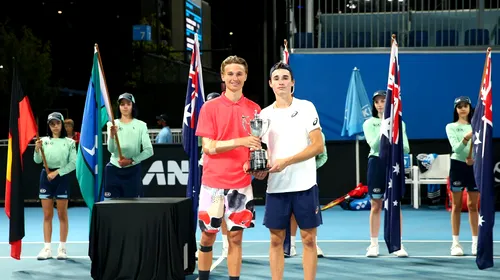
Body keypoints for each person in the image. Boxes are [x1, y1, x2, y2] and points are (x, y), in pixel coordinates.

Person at [195, 56, 262, 280]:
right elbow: (209, 147)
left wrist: (255, 164)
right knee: (207, 237)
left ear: (245, 77)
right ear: (223, 77)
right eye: (230, 74)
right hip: (213, 186)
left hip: (241, 186)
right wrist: (240, 141)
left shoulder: (254, 109)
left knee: (236, 239)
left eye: (239, 74)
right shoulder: (209, 107)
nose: (235, 78)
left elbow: (255, 146)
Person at [255, 62, 323, 280]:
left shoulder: (306, 107)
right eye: (276, 78)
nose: (281, 82)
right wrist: (260, 169)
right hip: (276, 187)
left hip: (305, 185)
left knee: (309, 239)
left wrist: (287, 161)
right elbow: (261, 152)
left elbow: (317, 146)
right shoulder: (263, 115)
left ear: (292, 83)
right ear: (270, 84)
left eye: (285, 77)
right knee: (276, 240)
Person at [362, 90, 410, 258]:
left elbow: (406, 148)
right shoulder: (369, 123)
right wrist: (385, 126)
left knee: (395, 204)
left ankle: (398, 244)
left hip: (394, 165)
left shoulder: (400, 124)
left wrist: (393, 129)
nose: (380, 104)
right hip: (376, 162)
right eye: (377, 102)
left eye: (383, 101)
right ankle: (373, 244)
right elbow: (374, 146)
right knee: (376, 205)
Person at [34, 112, 76, 260]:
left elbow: (73, 163)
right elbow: (37, 160)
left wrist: (57, 172)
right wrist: (37, 149)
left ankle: (62, 248)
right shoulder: (43, 141)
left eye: (57, 123)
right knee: (47, 215)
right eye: (52, 124)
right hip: (46, 178)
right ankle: (47, 249)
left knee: (62, 214)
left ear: (62, 124)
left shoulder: (69, 142)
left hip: (62, 178)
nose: (55, 126)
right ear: (49, 126)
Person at [195, 92, 230, 259]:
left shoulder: (225, 124)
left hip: (226, 174)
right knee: (210, 213)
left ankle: (226, 245)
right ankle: (205, 245)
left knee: (224, 213)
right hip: (208, 175)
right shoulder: (204, 124)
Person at [445, 96, 478, 256]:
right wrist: (467, 137)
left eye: (466, 106)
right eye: (460, 106)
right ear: (456, 109)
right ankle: (456, 244)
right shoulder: (451, 127)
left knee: (473, 206)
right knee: (456, 206)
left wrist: (475, 159)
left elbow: (482, 148)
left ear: (470, 108)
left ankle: (476, 242)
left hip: (474, 167)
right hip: (457, 166)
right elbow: (456, 149)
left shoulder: (478, 126)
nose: (463, 109)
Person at [104, 93, 153, 199]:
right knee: (113, 207)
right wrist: (112, 136)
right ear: (119, 107)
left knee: (132, 207)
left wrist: (131, 160)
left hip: (133, 170)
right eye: (122, 104)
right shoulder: (112, 124)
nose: (125, 106)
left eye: (128, 104)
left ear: (133, 106)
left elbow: (149, 150)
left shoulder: (141, 125)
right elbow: (111, 149)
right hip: (114, 169)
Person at [286, 131, 327, 258]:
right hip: (289, 176)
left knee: (310, 212)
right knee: (291, 212)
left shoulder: (318, 133)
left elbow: (323, 156)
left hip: (308, 179)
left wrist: (310, 168)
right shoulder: (288, 133)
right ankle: (290, 245)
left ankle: (314, 244)